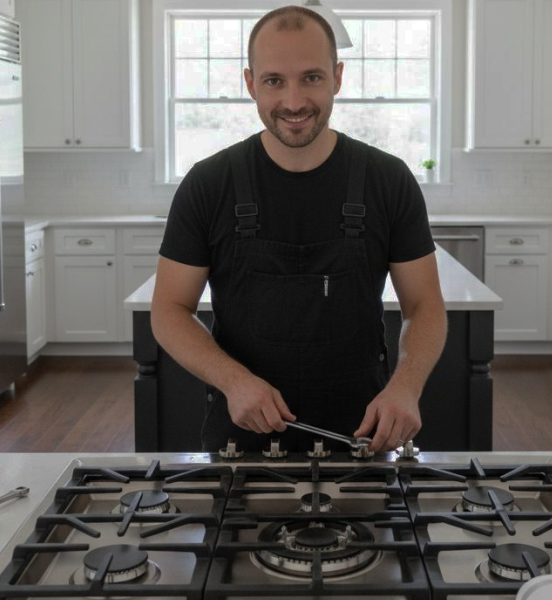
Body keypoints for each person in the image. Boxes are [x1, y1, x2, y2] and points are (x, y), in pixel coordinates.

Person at [151, 5, 447, 454]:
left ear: (337, 78)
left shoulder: (388, 180)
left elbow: (424, 305)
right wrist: (233, 381)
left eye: (311, 77)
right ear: (250, 83)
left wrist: (405, 386)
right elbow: (169, 309)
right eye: (274, 81)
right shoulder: (208, 184)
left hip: (363, 437)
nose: (293, 102)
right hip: (242, 443)